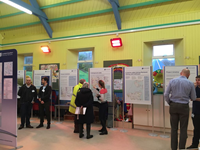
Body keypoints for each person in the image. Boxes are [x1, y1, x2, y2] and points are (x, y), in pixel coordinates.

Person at [164, 69, 196, 150]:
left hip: (173, 106)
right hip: (184, 107)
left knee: (173, 128)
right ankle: (182, 148)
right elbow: (193, 97)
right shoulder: (190, 83)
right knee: (183, 128)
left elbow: (166, 94)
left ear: (180, 73)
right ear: (188, 75)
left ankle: (173, 148)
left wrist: (170, 103)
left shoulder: (172, 81)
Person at [187, 75, 200, 149]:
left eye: (199, 80)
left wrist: (195, 99)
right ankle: (194, 144)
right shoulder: (195, 88)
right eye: (196, 80)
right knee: (196, 129)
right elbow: (191, 98)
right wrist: (194, 88)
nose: (197, 81)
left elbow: (194, 98)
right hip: (195, 112)